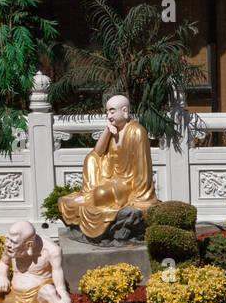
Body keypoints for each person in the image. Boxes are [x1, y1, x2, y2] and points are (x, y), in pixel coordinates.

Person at [57, 94, 157, 239]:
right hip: (110, 175)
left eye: (112, 111)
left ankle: (91, 197)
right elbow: (98, 152)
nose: (108, 116)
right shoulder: (113, 129)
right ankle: (88, 195)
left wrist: (140, 197)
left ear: (124, 111)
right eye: (107, 112)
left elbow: (142, 168)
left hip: (126, 183)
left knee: (101, 194)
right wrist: (107, 131)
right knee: (91, 158)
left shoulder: (137, 132)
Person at [0, 220, 92, 303]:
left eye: (13, 242)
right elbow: (4, 262)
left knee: (49, 290)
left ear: (29, 244)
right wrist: (2, 276)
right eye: (7, 239)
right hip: (16, 296)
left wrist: (65, 298)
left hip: (40, 297)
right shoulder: (11, 247)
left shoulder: (51, 250)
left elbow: (58, 280)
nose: (8, 244)